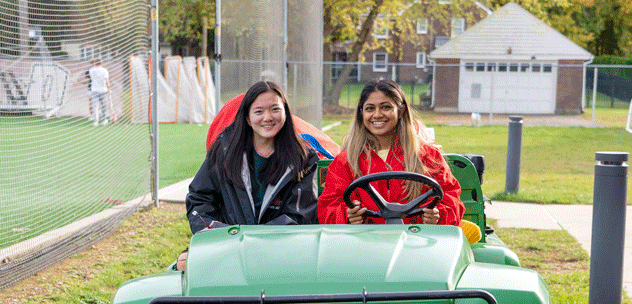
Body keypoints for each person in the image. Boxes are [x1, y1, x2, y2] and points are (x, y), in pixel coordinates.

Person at [176, 81, 319, 271]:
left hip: (282, 250)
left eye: (275, 109)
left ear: (285, 113)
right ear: (247, 118)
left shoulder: (303, 158)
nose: (267, 117)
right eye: (259, 111)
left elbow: (300, 216)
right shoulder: (225, 150)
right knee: (182, 265)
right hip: (229, 247)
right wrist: (217, 234)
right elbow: (199, 199)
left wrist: (252, 242)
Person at [318, 78, 464, 226]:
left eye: (385, 107)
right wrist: (346, 215)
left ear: (400, 111)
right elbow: (327, 207)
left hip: (415, 241)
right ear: (361, 113)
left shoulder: (427, 156)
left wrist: (438, 215)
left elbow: (452, 200)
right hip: (364, 242)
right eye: (370, 108)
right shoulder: (347, 161)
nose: (377, 115)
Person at [88, 58, 110, 126]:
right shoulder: (104, 70)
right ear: (101, 63)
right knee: (103, 106)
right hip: (103, 90)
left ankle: (95, 122)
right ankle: (103, 121)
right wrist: (109, 88)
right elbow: (106, 80)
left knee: (95, 106)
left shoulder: (91, 70)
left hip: (94, 90)